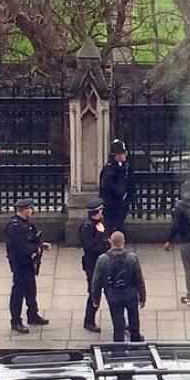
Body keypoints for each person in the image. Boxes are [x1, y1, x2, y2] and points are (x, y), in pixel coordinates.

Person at [5, 198, 51, 333]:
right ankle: (16, 321)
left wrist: (41, 245)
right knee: (18, 292)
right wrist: (35, 249)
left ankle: (32, 314)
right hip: (20, 264)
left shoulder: (27, 223)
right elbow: (20, 247)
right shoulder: (15, 227)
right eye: (30, 208)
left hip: (29, 263)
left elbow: (33, 239)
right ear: (24, 210)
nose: (32, 210)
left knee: (31, 289)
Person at [91, 231, 146, 342]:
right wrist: (142, 297)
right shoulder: (132, 258)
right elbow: (139, 279)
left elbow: (96, 282)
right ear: (123, 242)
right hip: (130, 295)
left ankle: (119, 346)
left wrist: (95, 299)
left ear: (111, 242)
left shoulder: (103, 259)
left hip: (113, 295)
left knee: (118, 323)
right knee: (134, 320)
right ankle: (136, 341)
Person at [80, 198, 109, 333]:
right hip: (93, 265)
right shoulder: (87, 227)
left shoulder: (100, 223)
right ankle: (89, 320)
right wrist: (99, 234)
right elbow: (89, 247)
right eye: (100, 210)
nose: (102, 212)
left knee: (111, 292)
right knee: (94, 293)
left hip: (104, 262)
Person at [99, 139, 130, 234]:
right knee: (111, 226)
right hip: (111, 203)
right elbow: (107, 184)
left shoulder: (124, 166)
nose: (124, 155)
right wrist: (121, 193)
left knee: (119, 225)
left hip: (120, 203)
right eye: (121, 153)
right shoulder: (110, 168)